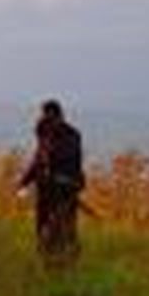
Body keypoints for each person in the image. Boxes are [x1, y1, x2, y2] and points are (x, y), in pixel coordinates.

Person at [19, 100, 85, 268]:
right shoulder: (45, 131)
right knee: (43, 228)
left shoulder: (72, 136)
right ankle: (47, 262)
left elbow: (66, 161)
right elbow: (38, 159)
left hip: (65, 191)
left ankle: (66, 263)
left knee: (64, 229)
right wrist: (24, 182)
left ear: (57, 115)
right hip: (47, 189)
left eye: (47, 114)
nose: (44, 118)